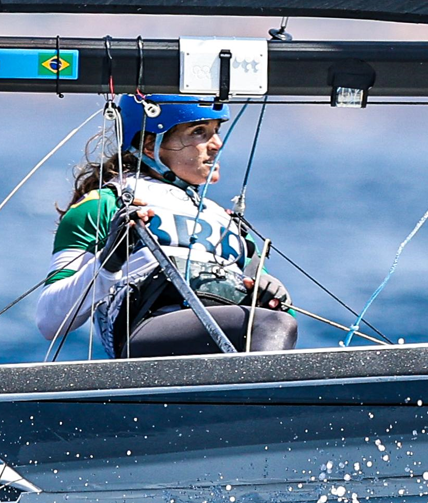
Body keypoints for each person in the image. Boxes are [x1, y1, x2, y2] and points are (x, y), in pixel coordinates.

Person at [36, 94, 297, 357]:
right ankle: (258, 397)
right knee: (272, 325)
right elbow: (49, 321)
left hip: (229, 342)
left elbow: (281, 325)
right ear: (151, 146)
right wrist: (108, 264)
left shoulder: (226, 221)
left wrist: (274, 296)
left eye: (216, 131)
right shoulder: (103, 204)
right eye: (199, 132)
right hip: (146, 338)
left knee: (277, 321)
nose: (217, 144)